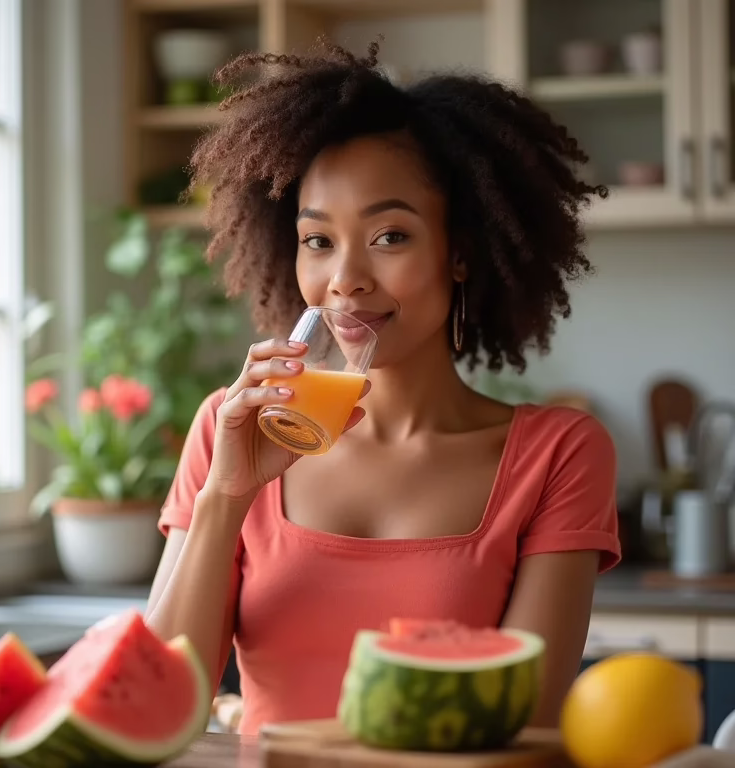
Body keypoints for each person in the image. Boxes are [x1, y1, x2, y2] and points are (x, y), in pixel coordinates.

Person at [145, 39, 621, 737]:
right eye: (318, 240)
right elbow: (157, 705)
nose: (346, 278)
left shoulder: (559, 454)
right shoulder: (231, 428)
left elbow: (525, 716)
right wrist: (227, 496)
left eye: (390, 236)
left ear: (458, 252)